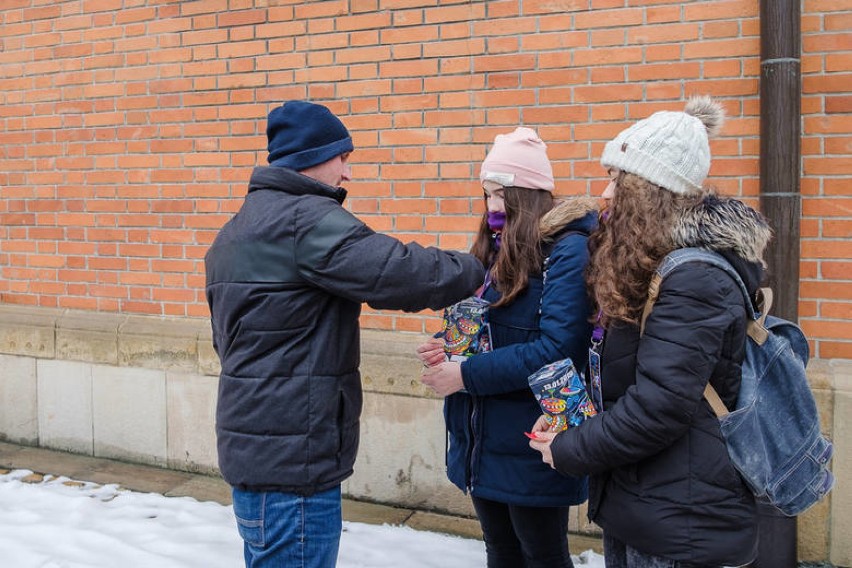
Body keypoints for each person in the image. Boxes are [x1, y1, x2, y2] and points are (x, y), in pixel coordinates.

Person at [204, 100, 485, 568]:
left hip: (258, 453)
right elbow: (398, 272)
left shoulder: (234, 232)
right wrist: (477, 267)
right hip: (294, 461)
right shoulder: (305, 221)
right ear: (313, 157)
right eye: (343, 158)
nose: (347, 174)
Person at [528, 97, 769, 568]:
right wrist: (573, 419)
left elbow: (658, 409)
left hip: (682, 521)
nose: (606, 193)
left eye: (617, 179)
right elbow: (634, 381)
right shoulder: (657, 266)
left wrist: (570, 448)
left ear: (649, 190)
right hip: (647, 503)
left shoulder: (695, 277)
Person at [417, 127, 598, 568]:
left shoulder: (567, 250)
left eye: (503, 195)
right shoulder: (497, 247)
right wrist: (449, 348)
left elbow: (557, 347)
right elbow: (490, 326)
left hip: (532, 433)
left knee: (542, 553)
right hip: (481, 432)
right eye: (488, 194)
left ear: (531, 195)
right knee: (499, 547)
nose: (493, 207)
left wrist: (464, 375)